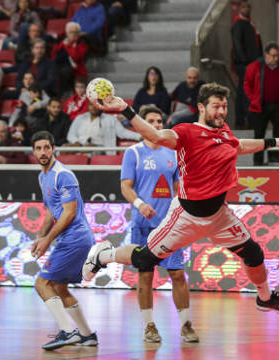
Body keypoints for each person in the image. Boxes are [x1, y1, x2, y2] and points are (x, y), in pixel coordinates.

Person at [82, 82, 279, 317]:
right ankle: (103, 255)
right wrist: (125, 108)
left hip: (219, 216)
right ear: (201, 107)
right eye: (216, 106)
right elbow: (155, 135)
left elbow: (241, 145)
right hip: (186, 217)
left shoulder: (224, 132)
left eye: (225, 106)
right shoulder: (186, 132)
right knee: (144, 258)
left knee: (254, 254)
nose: (221, 111)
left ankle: (265, 298)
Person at [120, 104, 199, 343]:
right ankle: (149, 326)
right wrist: (140, 204)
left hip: (170, 226)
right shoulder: (133, 153)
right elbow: (125, 187)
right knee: (145, 275)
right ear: (141, 125)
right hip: (142, 224)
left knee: (177, 274)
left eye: (159, 122)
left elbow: (179, 188)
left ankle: (186, 325)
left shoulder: (173, 154)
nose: (156, 126)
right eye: (151, 121)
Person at [29, 131, 98, 350]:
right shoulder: (43, 176)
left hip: (75, 238)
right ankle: (87, 335)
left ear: (53, 149)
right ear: (33, 152)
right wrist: (41, 235)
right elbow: (52, 211)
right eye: (38, 148)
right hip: (71, 239)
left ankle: (68, 332)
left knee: (42, 284)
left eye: (46, 147)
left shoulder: (63, 174)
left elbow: (69, 213)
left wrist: (48, 239)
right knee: (59, 287)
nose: (43, 152)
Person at [244, 42, 279, 165]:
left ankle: (275, 158)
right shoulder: (255, 66)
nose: (275, 58)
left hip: (278, 105)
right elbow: (247, 84)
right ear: (266, 55)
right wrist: (253, 99)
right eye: (272, 55)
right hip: (260, 106)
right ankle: (258, 161)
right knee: (259, 135)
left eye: (277, 56)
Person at [231, 0, 262, 128]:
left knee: (248, 92)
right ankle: (243, 119)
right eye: (244, 7)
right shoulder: (238, 24)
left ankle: (247, 118)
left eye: (248, 7)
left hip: (253, 64)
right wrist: (245, 61)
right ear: (239, 9)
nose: (246, 9)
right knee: (244, 93)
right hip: (245, 65)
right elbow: (237, 44)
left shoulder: (250, 24)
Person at [66, 102, 141, 151]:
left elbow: (123, 132)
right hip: (79, 147)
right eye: (91, 105)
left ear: (102, 106)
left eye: (97, 105)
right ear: (88, 106)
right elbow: (71, 135)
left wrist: (140, 137)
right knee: (64, 149)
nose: (94, 107)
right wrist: (76, 142)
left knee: (89, 149)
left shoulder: (111, 119)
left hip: (101, 149)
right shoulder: (80, 118)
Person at [51, 22, 88, 95]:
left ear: (79, 34)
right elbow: (53, 56)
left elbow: (76, 57)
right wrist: (63, 44)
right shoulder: (60, 43)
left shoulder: (82, 44)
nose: (73, 34)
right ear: (67, 33)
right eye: (71, 32)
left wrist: (68, 46)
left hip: (76, 71)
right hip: (60, 69)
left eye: (76, 32)